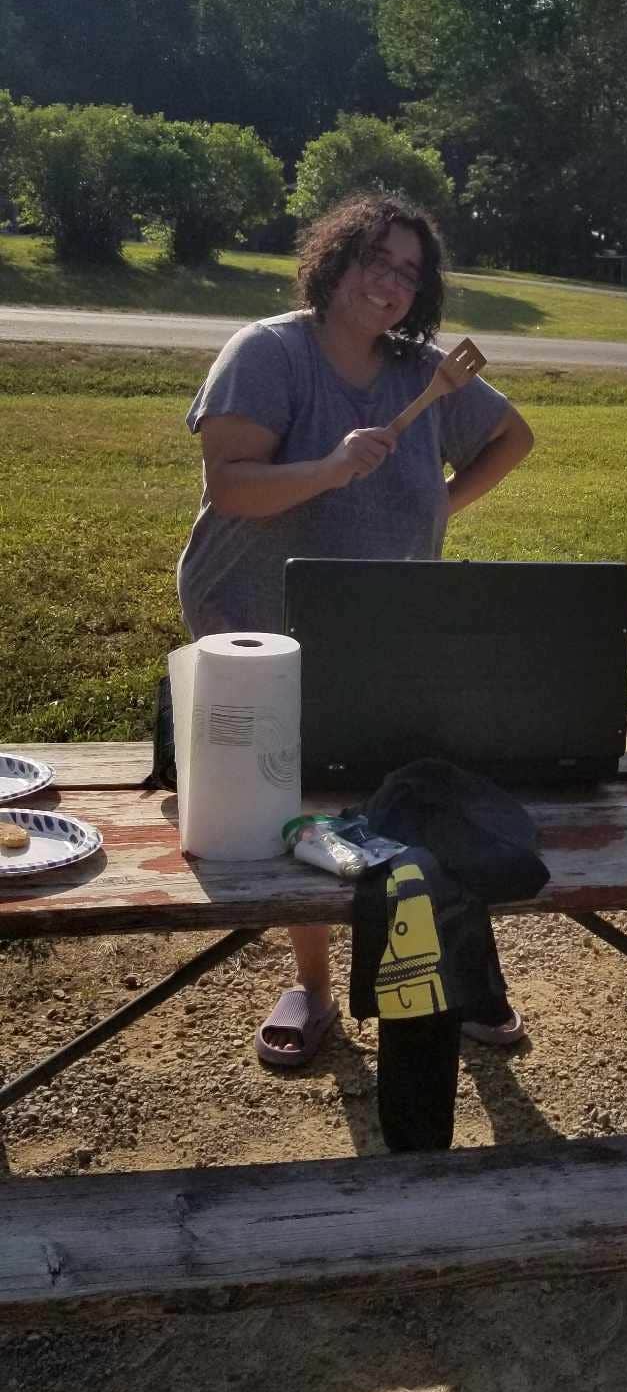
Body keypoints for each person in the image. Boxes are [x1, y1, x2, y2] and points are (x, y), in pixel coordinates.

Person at [177, 190, 535, 1067]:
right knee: (294, 799)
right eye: (378, 260)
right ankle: (314, 987)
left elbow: (513, 437)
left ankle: (462, 977)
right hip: (257, 616)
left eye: (411, 272)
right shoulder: (267, 352)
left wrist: (438, 511)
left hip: (384, 620)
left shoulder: (425, 373)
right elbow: (232, 486)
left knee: (419, 785)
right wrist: (334, 467)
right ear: (334, 260)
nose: (393, 283)